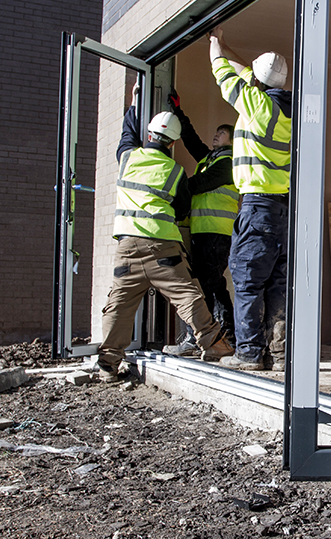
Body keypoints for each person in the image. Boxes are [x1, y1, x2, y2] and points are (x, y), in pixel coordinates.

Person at [97, 86, 233, 382]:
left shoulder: (128, 159)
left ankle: (108, 362)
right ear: (172, 144)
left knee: (119, 302)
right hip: (163, 248)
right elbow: (182, 208)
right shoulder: (175, 172)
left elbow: (127, 134)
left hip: (128, 248)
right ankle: (215, 344)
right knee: (188, 295)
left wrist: (135, 102)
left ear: (149, 136)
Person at [208, 26, 292, 371]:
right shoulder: (291, 109)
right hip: (284, 209)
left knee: (246, 279)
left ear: (256, 82)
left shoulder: (255, 104)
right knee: (276, 282)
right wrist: (228, 45)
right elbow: (248, 73)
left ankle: (248, 353)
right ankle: (280, 354)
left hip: (257, 208)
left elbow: (222, 72)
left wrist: (214, 44)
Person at [161, 89, 238, 356]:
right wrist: (178, 113)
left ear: (232, 139)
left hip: (217, 236)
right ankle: (229, 336)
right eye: (217, 131)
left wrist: (171, 191)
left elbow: (199, 184)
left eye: (222, 132)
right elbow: (191, 140)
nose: (216, 134)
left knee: (200, 288)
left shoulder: (228, 162)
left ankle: (193, 341)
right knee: (215, 288)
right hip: (205, 234)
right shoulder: (210, 159)